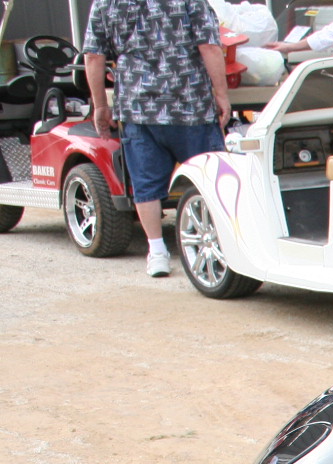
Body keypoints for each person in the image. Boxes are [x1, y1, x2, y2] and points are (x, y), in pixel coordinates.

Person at [82, 0, 231, 278]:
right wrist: (221, 94)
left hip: (139, 110)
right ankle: (216, 245)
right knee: (207, 182)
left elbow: (93, 56)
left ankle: (157, 251)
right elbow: (209, 47)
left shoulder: (105, 2)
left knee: (146, 185)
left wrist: (101, 105)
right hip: (190, 107)